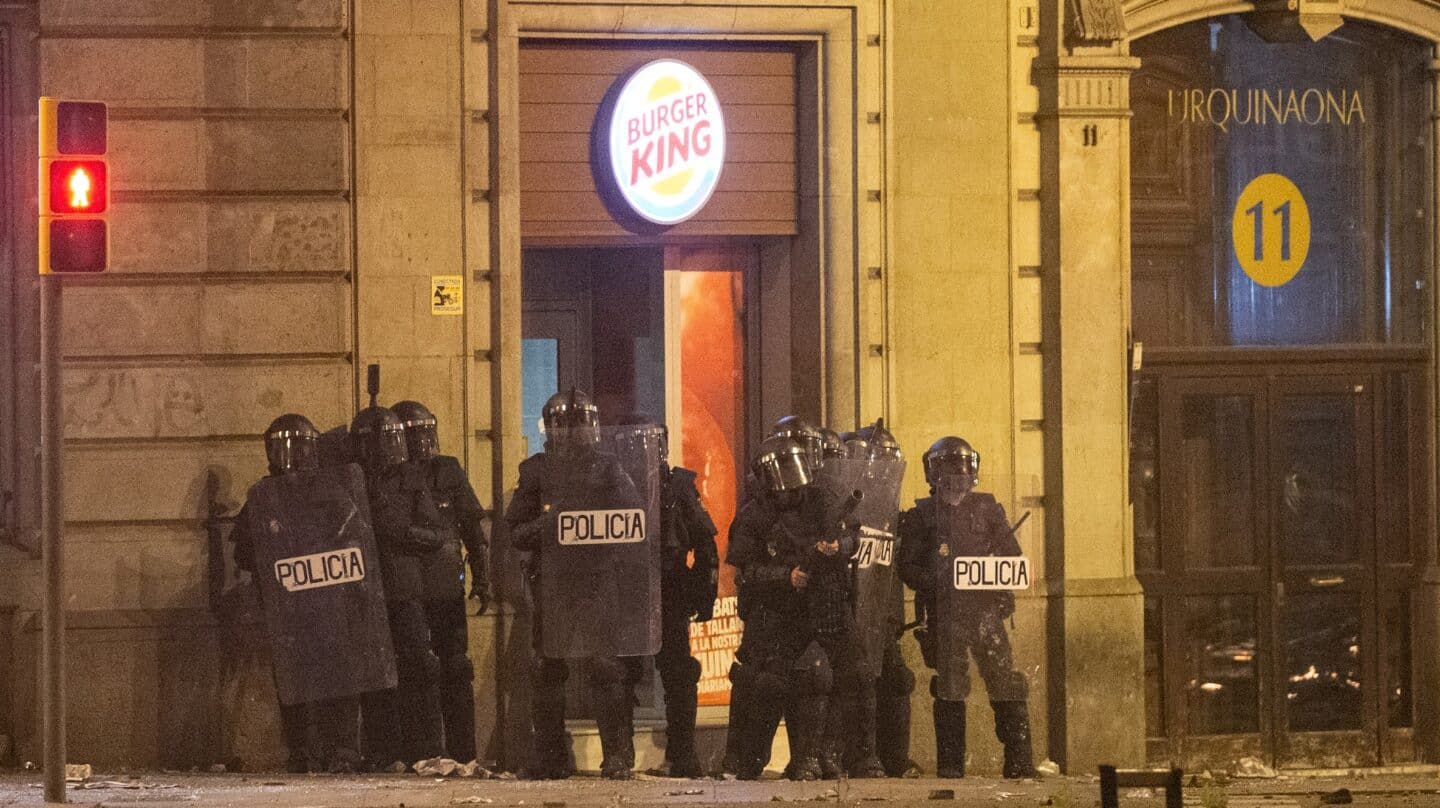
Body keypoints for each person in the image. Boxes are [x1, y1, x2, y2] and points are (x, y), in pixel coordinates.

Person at [230, 414, 390, 774]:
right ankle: (304, 750)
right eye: (284, 448)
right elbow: (244, 550)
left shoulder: (332, 490)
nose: (292, 457)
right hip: (290, 606)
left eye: (298, 448)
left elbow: (355, 536)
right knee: (293, 679)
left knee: (340, 676)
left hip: (330, 603)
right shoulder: (263, 497)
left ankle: (342, 749)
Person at [505, 388, 649, 780]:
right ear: (551, 428)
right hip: (552, 584)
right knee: (546, 667)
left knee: (607, 668)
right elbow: (515, 530)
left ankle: (617, 755)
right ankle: (551, 755)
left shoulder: (608, 468)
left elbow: (635, 519)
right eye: (565, 425)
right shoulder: (535, 470)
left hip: (598, 580)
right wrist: (551, 526)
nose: (573, 432)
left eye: (580, 423)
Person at [898, 437, 1036, 779]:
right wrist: (937, 578)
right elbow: (908, 567)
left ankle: (1019, 761)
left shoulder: (988, 509)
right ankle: (950, 764)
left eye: (962, 467)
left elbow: (1013, 557)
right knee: (950, 686)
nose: (958, 474)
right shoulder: (922, 515)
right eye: (950, 468)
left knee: (1005, 681)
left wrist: (994, 574)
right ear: (935, 472)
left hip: (985, 610)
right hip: (946, 613)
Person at [723, 436, 854, 780]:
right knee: (767, 684)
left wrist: (837, 547)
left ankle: (809, 759)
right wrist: (786, 576)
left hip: (817, 609)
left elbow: (851, 538)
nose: (789, 488)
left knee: (817, 674)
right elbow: (746, 572)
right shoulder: (754, 515)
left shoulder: (820, 500)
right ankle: (749, 758)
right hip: (772, 613)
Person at [616, 416, 720, 778]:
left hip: (669, 588)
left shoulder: (677, 487)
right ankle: (619, 755)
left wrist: (702, 597)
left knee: (678, 674)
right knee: (618, 673)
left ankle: (683, 754)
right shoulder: (613, 482)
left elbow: (705, 545)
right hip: (628, 590)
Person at [391, 400, 490, 765]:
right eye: (414, 436)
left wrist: (482, 575)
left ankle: (464, 753)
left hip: (446, 583)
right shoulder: (392, 477)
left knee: (456, 667)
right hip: (409, 585)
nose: (422, 443)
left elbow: (472, 527)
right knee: (419, 668)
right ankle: (424, 751)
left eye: (425, 433)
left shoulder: (447, 470)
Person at [353, 405, 449, 770]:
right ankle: (381, 751)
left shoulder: (410, 479)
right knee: (374, 673)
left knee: (419, 669)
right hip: (363, 591)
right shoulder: (351, 477)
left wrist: (398, 530)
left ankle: (424, 748)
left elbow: (436, 534)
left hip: (405, 589)